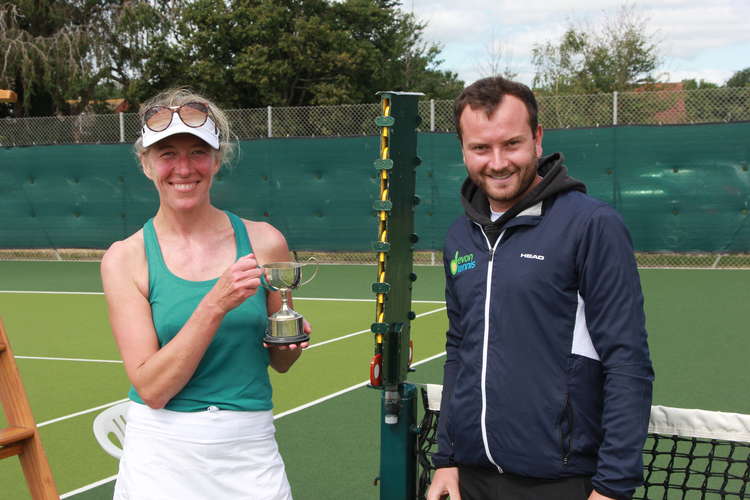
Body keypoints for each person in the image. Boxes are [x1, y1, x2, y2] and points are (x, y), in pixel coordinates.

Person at [427, 77, 654, 500]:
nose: (497, 162)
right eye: (480, 148)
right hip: (470, 477)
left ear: (537, 139)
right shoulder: (460, 236)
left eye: (511, 144)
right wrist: (448, 458)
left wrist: (613, 487)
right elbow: (460, 348)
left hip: (559, 482)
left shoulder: (591, 225)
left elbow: (627, 360)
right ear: (463, 149)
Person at [101, 88, 308, 500]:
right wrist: (215, 303)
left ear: (217, 160)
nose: (183, 168)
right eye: (167, 154)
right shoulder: (125, 258)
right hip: (160, 455)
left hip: (249, 448)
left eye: (198, 152)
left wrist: (292, 337)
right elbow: (153, 389)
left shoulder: (264, 241)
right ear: (146, 164)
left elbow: (281, 362)